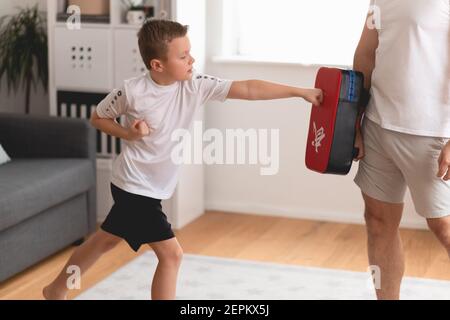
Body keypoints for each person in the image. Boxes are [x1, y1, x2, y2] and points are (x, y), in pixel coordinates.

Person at [43, 19, 323, 300]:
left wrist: (299, 92)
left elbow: (249, 89)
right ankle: (57, 290)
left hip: (152, 188)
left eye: (189, 52)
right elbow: (98, 117)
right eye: (183, 55)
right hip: (134, 186)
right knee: (172, 255)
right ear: (157, 65)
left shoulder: (195, 85)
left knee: (106, 240)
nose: (192, 59)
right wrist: (129, 134)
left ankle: (56, 290)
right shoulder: (132, 91)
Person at [353, 0, 450, 299]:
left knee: (444, 228)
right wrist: (354, 121)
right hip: (378, 126)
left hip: (432, 134)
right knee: (378, 221)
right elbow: (366, 55)